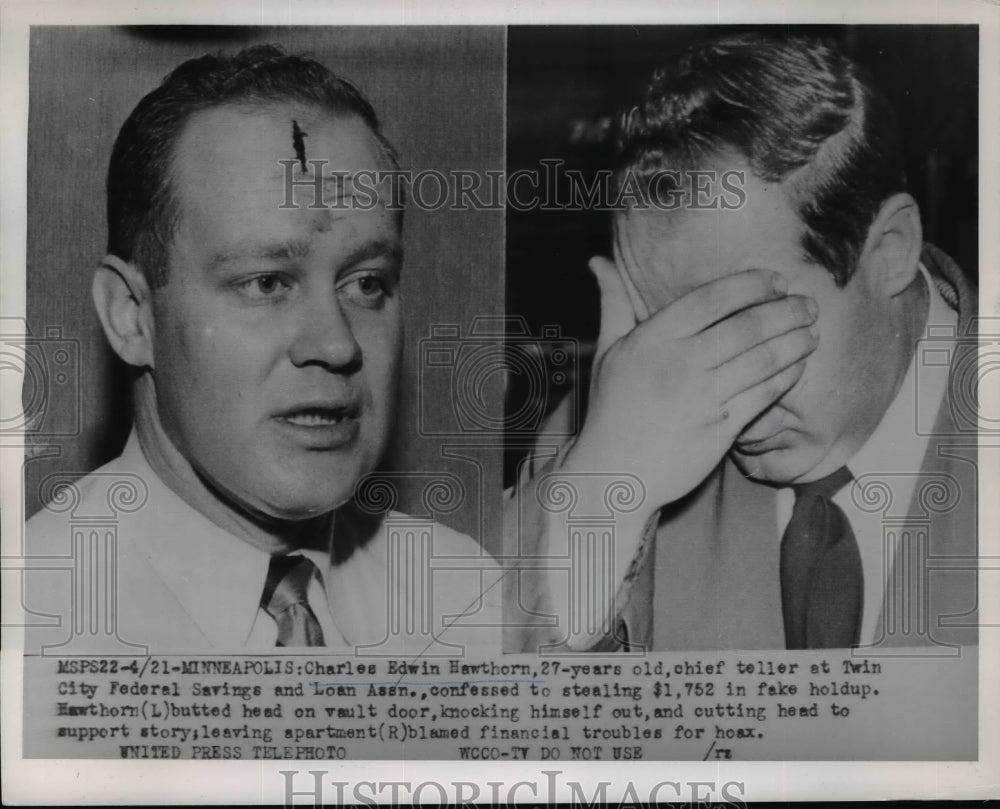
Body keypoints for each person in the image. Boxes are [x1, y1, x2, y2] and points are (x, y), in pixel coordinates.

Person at [504, 32, 978, 652]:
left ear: (889, 251)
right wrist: (600, 499)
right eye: (659, 325)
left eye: (743, 321)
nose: (714, 395)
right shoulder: (598, 434)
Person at [25, 45, 499, 653]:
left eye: (367, 283)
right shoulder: (30, 624)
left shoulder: (466, 598)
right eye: (266, 283)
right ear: (131, 317)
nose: (336, 343)